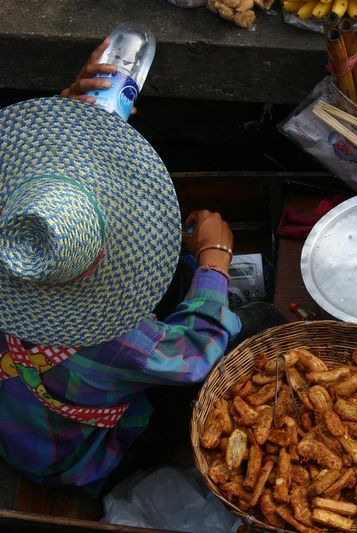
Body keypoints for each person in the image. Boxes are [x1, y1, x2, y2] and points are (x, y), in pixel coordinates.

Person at [0, 41, 281, 495]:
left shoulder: (15, 239)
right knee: (261, 323)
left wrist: (68, 107)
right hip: (78, 458)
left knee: (180, 277)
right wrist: (214, 259)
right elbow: (192, 356)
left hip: (23, 417)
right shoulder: (115, 341)